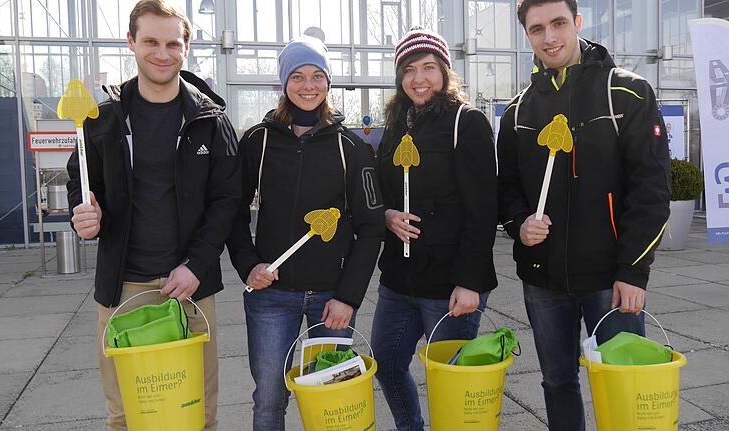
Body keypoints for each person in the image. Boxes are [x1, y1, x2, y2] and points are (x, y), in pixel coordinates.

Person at [66, 1, 240, 429]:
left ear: (186, 48)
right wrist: (84, 212)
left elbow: (227, 200)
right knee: (127, 414)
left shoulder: (210, 120)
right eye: (150, 42)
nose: (162, 53)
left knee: (195, 411)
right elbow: (81, 179)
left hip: (191, 288)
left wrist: (197, 265)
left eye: (172, 43)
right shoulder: (101, 118)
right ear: (131, 42)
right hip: (123, 287)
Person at [497, 1, 671, 429]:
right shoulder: (518, 111)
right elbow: (506, 190)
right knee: (557, 383)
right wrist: (520, 224)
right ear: (527, 36)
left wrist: (633, 271)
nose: (549, 37)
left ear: (577, 22)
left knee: (623, 383)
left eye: (558, 24)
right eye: (537, 29)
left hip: (611, 281)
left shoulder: (627, 92)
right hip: (543, 281)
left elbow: (651, 191)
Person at [226, 35, 384, 431]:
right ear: (284, 83)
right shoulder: (258, 142)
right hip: (270, 298)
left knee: (331, 396)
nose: (308, 85)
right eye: (297, 76)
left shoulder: (351, 147)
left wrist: (348, 297)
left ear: (329, 83)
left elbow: (370, 228)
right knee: (269, 398)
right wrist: (248, 266)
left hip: (330, 299)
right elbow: (232, 212)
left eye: (317, 76)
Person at [371, 27, 499, 431]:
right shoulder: (394, 126)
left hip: (449, 284)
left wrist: (470, 282)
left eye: (428, 67)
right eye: (409, 69)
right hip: (398, 278)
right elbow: (379, 187)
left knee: (450, 384)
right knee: (386, 364)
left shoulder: (467, 122)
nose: (419, 78)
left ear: (444, 72)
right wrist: (388, 215)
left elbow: (483, 211)